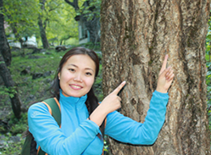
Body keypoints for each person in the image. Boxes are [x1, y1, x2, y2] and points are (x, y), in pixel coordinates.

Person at [28, 47, 174, 155]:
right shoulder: (41, 111)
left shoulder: (98, 112)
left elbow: (146, 135)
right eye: (72, 70)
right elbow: (63, 151)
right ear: (59, 73)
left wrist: (161, 91)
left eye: (87, 73)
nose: (78, 78)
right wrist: (102, 111)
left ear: (93, 80)